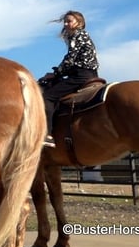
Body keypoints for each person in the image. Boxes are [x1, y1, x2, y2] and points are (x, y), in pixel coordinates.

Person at [39, 10, 100, 148]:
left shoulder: (77, 35)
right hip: (92, 74)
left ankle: (47, 135)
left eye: (69, 21)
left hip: (80, 75)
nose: (66, 24)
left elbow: (70, 60)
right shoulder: (84, 36)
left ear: (79, 23)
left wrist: (55, 74)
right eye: (65, 21)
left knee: (48, 97)